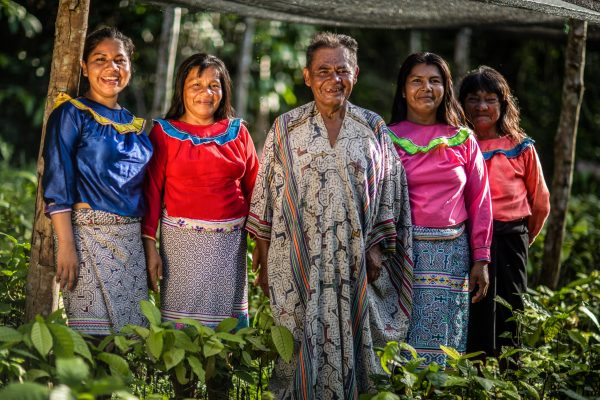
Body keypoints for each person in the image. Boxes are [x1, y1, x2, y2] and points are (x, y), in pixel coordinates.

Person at [248, 32, 413, 398]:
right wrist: (262, 252)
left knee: (358, 347)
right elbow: (266, 197)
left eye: (342, 70)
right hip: (295, 261)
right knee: (293, 349)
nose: (333, 79)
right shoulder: (285, 128)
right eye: (323, 70)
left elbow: (390, 192)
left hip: (356, 263)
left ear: (356, 73)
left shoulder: (373, 128)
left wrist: (376, 249)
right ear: (307, 76)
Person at [42, 27, 152, 335]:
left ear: (130, 67)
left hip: (130, 243)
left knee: (128, 344)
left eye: (120, 60)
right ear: (84, 66)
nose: (111, 68)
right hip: (84, 238)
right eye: (100, 59)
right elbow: (58, 180)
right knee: (91, 341)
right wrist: (66, 244)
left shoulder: (135, 124)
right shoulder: (71, 114)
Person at [387, 52, 492, 367]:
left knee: (445, 341)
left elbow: (480, 201)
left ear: (446, 88)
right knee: (398, 341)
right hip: (401, 256)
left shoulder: (464, 140)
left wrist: (482, 258)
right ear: (403, 89)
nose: (426, 88)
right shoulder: (385, 138)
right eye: (416, 81)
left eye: (435, 81)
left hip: (452, 258)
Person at [142, 53, 259, 330]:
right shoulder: (164, 133)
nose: (205, 93)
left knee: (226, 337)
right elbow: (150, 193)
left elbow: (257, 189)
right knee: (183, 337)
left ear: (224, 90)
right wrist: (150, 246)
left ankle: (222, 374)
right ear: (182, 89)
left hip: (229, 250)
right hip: (180, 249)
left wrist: (264, 246)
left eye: (213, 85)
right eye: (196, 85)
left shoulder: (237, 132)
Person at [458, 66, 550, 358]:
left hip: (511, 237)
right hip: (468, 240)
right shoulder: (457, 143)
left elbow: (540, 201)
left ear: (503, 103)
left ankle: (509, 371)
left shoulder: (520, 146)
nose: (481, 106)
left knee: (511, 305)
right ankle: (474, 370)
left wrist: (525, 238)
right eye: (473, 99)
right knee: (474, 305)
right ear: (460, 104)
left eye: (490, 99)